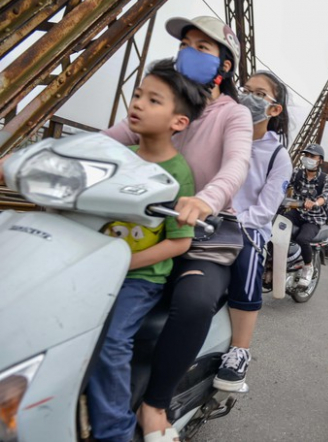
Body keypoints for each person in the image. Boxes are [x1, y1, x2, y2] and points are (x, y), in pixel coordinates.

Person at [103, 16, 252, 440]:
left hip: (205, 228)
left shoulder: (234, 114)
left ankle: (154, 405)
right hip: (145, 221)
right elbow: (106, 139)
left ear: (225, 65)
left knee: (193, 301)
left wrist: (205, 199)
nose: (188, 52)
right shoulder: (162, 103)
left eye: (202, 48)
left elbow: (236, 165)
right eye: (185, 44)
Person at [87, 59, 208, 442]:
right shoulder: (118, 157)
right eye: (137, 95)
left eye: (153, 100)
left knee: (110, 342)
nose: (137, 104)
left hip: (138, 277)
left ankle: (114, 432)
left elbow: (179, 241)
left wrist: (124, 262)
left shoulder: (178, 173)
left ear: (178, 122)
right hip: (96, 265)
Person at [212, 71, 293, 392]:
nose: (247, 96)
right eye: (245, 89)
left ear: (274, 110)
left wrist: (232, 221)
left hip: (246, 227)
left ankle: (240, 350)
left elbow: (265, 210)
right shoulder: (224, 135)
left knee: (248, 256)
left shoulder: (277, 155)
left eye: (258, 94)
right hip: (208, 216)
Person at [284, 143, 328, 287]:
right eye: (306, 155)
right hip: (297, 212)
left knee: (303, 238)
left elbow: (326, 196)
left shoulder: (326, 179)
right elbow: (284, 184)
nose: (308, 158)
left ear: (320, 160)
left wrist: (315, 203)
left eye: (312, 156)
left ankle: (308, 266)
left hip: (314, 217)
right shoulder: (297, 173)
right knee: (276, 228)